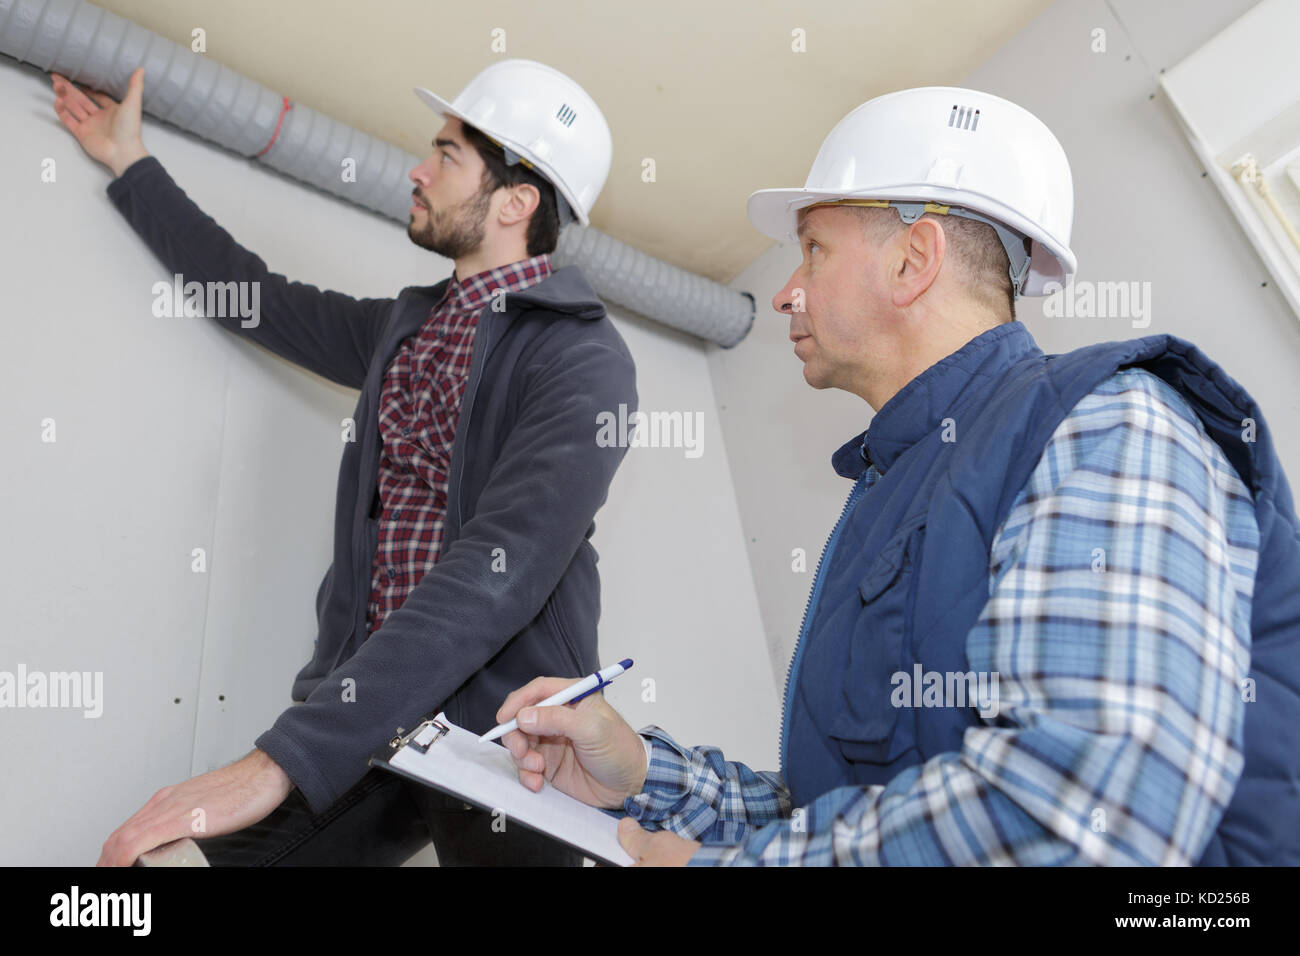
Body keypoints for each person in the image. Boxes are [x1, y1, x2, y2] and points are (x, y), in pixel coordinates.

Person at [495, 86, 1300, 866]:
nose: (784, 292)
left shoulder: (1106, 423)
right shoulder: (903, 482)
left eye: (813, 249)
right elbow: (838, 815)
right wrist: (641, 774)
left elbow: (1092, 808)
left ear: (914, 261)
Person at [50, 58, 638, 866]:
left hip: (516, 740)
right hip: (369, 714)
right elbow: (249, 295)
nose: (417, 170)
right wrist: (130, 162)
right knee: (155, 866)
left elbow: (506, 568)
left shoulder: (583, 358)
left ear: (516, 200)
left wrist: (279, 759)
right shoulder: (404, 327)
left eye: (446, 156)